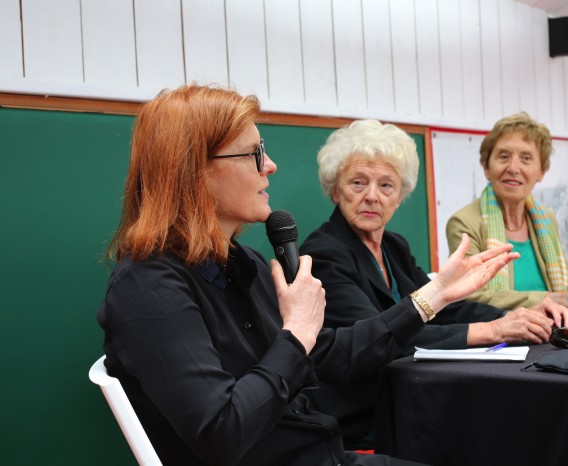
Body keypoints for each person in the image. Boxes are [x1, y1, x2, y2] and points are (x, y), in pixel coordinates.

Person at [97, 85, 522, 466]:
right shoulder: (148, 286)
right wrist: (296, 333)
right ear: (195, 170)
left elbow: (324, 354)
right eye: (254, 154)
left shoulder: (239, 262)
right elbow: (222, 433)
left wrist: (435, 296)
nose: (271, 166)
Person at [300, 119, 568, 449]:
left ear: (400, 196)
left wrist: (508, 319)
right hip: (366, 417)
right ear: (334, 190)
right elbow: (381, 338)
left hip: (412, 397)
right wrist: (492, 331)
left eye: (386, 186)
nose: (372, 196)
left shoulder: (394, 247)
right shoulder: (324, 255)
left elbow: (444, 306)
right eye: (358, 183)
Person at [446, 112, 568, 316]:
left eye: (526, 158)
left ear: (541, 172)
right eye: (503, 156)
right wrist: (545, 299)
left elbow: (559, 286)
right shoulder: (464, 223)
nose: (513, 168)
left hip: (553, 330)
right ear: (486, 167)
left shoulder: (546, 219)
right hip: (502, 339)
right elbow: (472, 296)